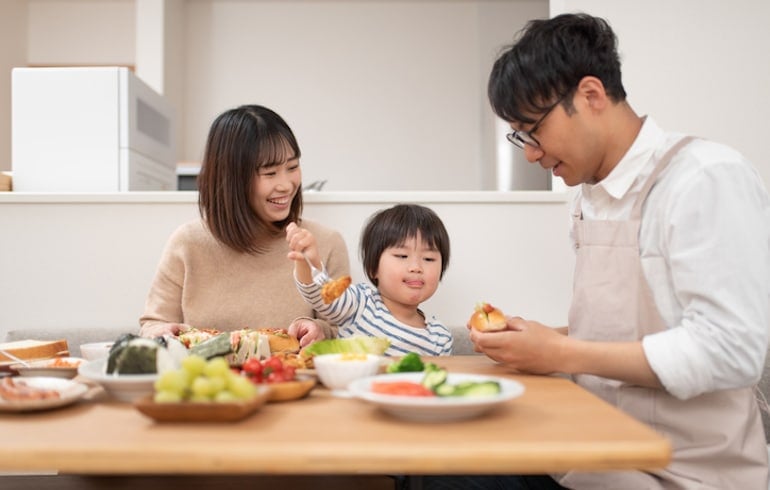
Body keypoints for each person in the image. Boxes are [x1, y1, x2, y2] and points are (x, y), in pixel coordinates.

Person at [424, 12, 770, 490]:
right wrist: (542, 340)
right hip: (597, 451)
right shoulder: (588, 196)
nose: (529, 153)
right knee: (441, 468)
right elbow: (629, 326)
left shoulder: (704, 178)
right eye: (519, 135)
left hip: (683, 471)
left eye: (533, 129)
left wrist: (561, 351)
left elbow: (731, 352)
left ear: (590, 95)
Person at [139, 104, 350, 346]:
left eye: (292, 167)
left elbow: (344, 329)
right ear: (232, 179)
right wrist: (161, 332)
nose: (286, 185)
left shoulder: (325, 243)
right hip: (207, 380)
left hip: (289, 379)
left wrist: (319, 329)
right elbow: (152, 325)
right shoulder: (187, 243)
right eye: (270, 173)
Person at [285, 204, 453, 356]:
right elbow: (322, 295)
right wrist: (307, 262)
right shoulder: (359, 303)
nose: (416, 267)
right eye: (402, 256)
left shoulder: (440, 337)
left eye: (429, 259)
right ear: (373, 268)